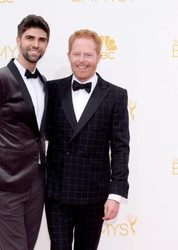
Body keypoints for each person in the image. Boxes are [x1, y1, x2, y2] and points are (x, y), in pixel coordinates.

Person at [0, 14, 50, 250]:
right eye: (30, 38)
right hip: (5, 185)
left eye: (42, 39)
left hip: (36, 183)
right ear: (18, 40)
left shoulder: (44, 82)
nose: (36, 44)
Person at [45, 29, 130, 250]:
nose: (82, 60)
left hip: (94, 194)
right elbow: (36, 133)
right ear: (69, 56)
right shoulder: (52, 90)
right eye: (76, 54)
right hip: (57, 192)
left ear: (99, 57)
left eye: (88, 55)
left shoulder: (116, 95)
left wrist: (116, 194)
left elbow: (120, 147)